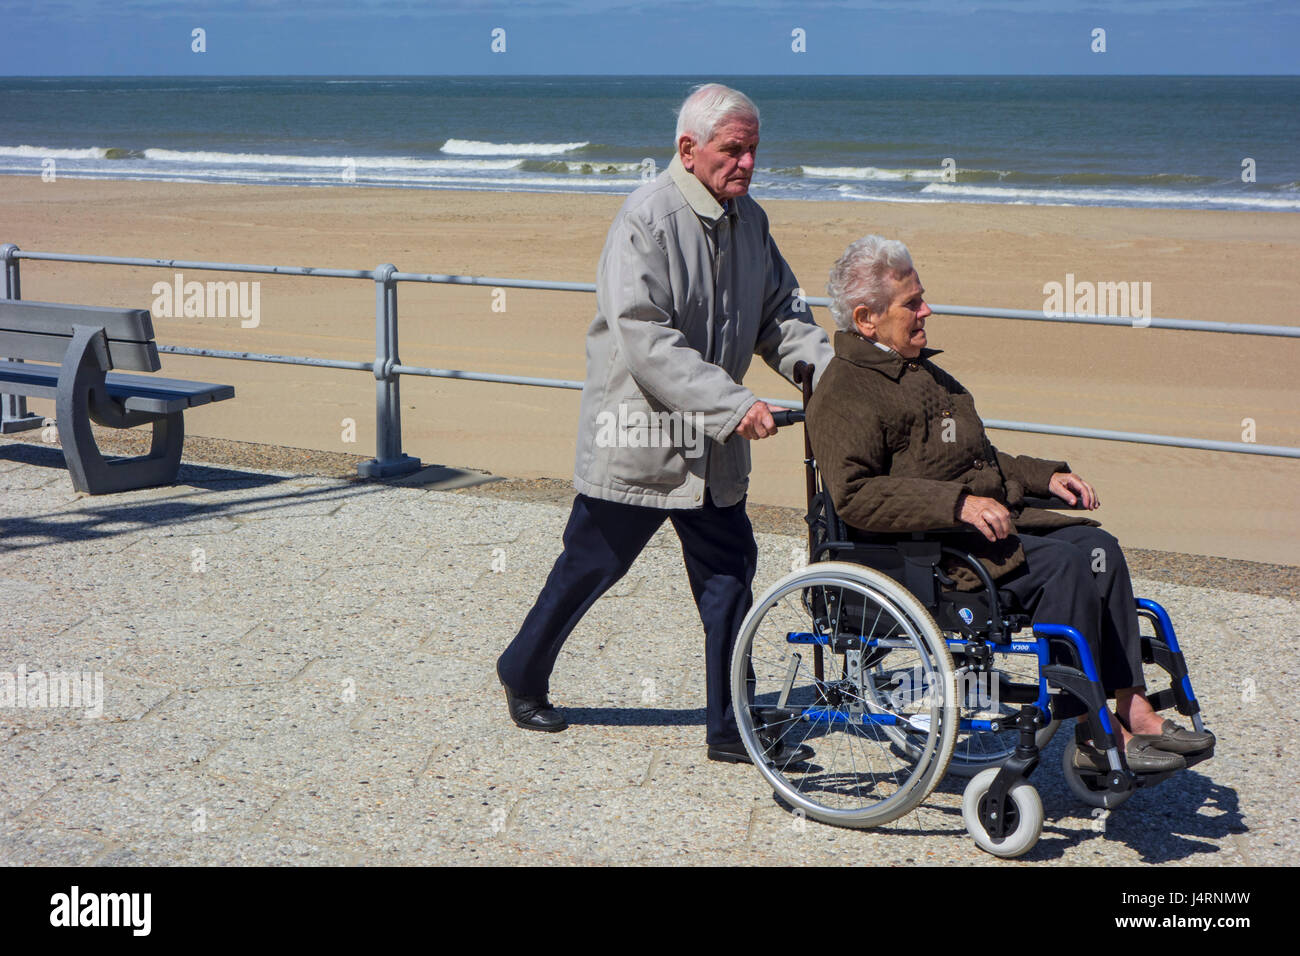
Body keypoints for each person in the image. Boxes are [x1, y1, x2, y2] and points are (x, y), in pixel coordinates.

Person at [496, 84, 833, 765]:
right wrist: (738, 406)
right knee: (592, 565)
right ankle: (522, 669)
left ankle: (728, 724)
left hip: (712, 442)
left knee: (730, 575)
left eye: (752, 150)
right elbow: (646, 338)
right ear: (689, 148)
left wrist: (830, 377)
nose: (745, 163)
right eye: (731, 149)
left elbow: (781, 318)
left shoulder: (751, 221)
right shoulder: (645, 217)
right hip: (642, 436)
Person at [805, 235, 1214, 773]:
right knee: (1066, 567)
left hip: (980, 529)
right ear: (866, 318)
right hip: (927, 552)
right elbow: (856, 495)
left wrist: (1047, 476)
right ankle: (1093, 732)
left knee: (1099, 547)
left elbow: (982, 460)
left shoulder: (924, 374)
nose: (927, 310)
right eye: (913, 303)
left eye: (922, 297)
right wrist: (958, 505)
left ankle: (1132, 707)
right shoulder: (845, 391)